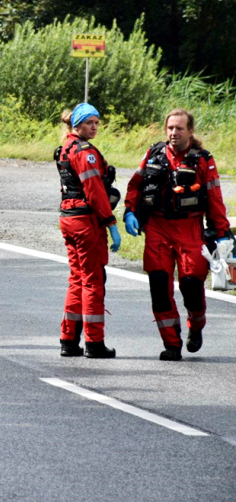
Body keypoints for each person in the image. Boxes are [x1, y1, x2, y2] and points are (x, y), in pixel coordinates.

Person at [124, 108, 230, 361]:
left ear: (190, 131)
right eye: (170, 128)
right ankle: (171, 343)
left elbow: (214, 198)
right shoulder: (153, 153)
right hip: (158, 229)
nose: (173, 133)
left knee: (192, 285)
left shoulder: (203, 159)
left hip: (189, 228)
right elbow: (135, 185)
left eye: (179, 128)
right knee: (159, 287)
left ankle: (196, 326)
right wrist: (129, 211)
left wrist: (222, 232)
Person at [55, 103, 120, 359]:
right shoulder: (85, 152)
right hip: (85, 221)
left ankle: (68, 340)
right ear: (78, 125)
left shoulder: (66, 148)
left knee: (76, 280)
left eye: (96, 122)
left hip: (68, 217)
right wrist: (111, 222)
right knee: (93, 281)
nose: (94, 127)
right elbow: (94, 190)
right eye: (90, 123)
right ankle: (94, 342)